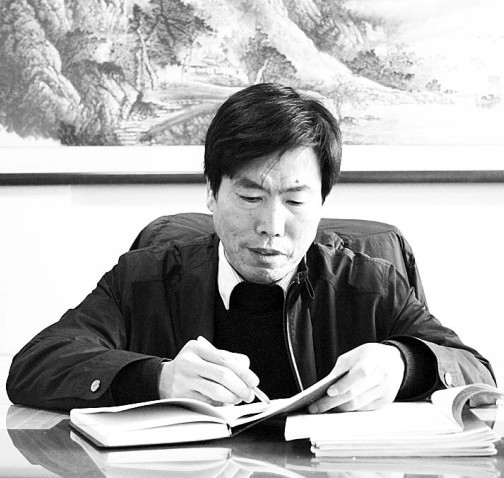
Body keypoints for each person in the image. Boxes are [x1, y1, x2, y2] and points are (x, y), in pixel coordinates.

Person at [7, 83, 496, 413]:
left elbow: (479, 374)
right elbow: (35, 365)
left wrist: (403, 364)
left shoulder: (369, 282)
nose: (271, 227)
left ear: (322, 201)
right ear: (211, 192)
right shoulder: (145, 277)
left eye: (296, 200)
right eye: (249, 197)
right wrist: (158, 379)